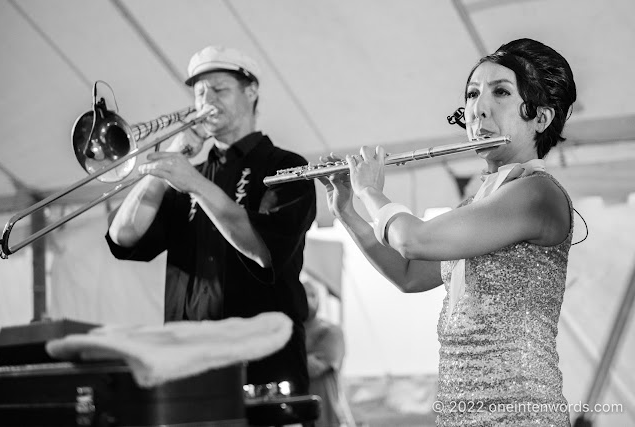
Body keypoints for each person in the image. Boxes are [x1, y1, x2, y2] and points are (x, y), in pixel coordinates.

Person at [319, 38, 577, 426]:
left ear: (540, 118)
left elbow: (413, 239)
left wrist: (370, 190)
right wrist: (347, 210)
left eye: (501, 92)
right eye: (472, 94)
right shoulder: (479, 204)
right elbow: (410, 274)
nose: (478, 109)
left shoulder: (536, 191)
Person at [105, 45, 317, 394]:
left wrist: (196, 185)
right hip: (188, 367)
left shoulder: (285, 165)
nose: (206, 101)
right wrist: (168, 163)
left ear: (251, 92)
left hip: (264, 367)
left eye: (219, 89)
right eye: (200, 92)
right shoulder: (190, 173)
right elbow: (124, 236)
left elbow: (263, 249)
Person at [302, 273, 346, 427]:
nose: (309, 300)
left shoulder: (331, 331)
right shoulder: (288, 332)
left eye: (313, 295)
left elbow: (314, 368)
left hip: (325, 418)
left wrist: (289, 361)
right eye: (304, 294)